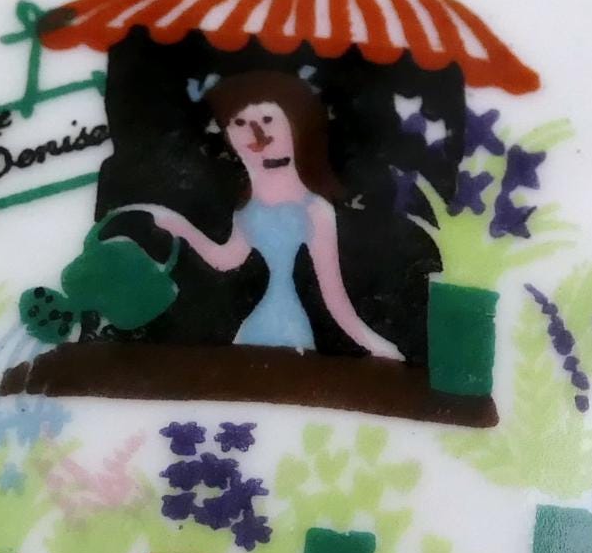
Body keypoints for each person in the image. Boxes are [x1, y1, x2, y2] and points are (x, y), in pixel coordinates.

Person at [127, 73, 403, 360]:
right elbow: (226, 260)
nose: (254, 133)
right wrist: (180, 226)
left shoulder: (315, 210)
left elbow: (334, 297)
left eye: (268, 120)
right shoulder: (248, 208)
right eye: (239, 123)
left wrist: (375, 344)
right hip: (255, 326)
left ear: (296, 125)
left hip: (290, 331)